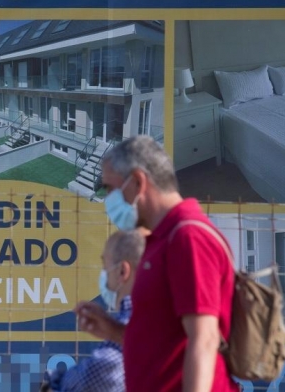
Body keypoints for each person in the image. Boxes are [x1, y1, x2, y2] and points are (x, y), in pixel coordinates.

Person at [76, 135, 238, 392]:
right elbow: (166, 343)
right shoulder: (160, 240)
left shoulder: (188, 237)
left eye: (109, 188)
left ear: (138, 181)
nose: (107, 198)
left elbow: (204, 339)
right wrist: (114, 330)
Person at [42, 229, 145, 392]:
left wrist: (53, 385)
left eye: (105, 267)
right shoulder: (167, 316)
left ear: (122, 271)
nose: (104, 276)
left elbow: (97, 375)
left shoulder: (137, 320)